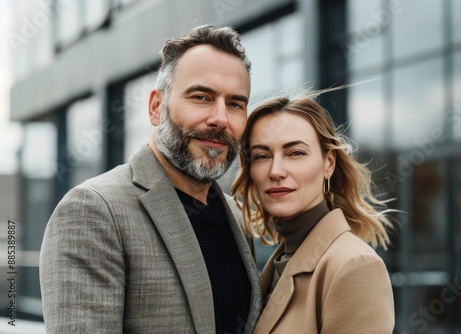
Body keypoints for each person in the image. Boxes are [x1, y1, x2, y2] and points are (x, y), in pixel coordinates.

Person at [40, 25, 262, 333]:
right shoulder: (94, 210)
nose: (220, 119)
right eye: (201, 97)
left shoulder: (236, 216)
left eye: (235, 104)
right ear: (156, 107)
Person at [231, 90, 395, 333]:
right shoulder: (278, 263)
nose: (275, 171)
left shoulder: (354, 266)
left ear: (329, 163)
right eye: (262, 155)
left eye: (295, 153)